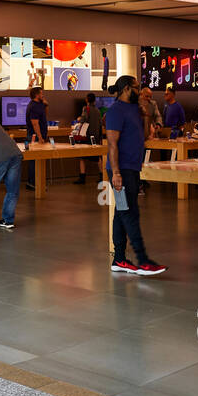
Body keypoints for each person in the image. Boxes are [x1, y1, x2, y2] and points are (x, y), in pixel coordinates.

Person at [105, 75, 166, 276]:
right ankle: (142, 261)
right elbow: (112, 144)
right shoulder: (115, 111)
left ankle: (119, 259)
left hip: (133, 168)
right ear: (125, 89)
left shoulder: (133, 108)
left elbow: (143, 135)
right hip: (121, 170)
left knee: (122, 213)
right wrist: (116, 173)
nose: (140, 92)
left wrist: (145, 114)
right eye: (136, 88)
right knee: (128, 213)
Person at [74, 93, 104, 184]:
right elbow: (100, 124)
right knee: (97, 157)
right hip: (95, 137)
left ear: (87, 100)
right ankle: (102, 176)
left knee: (82, 157)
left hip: (86, 137)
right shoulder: (98, 111)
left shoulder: (85, 109)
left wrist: (79, 119)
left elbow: (83, 120)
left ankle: (82, 177)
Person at [25, 86, 48, 190]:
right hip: (35, 137)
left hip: (40, 135)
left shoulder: (40, 105)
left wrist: (46, 105)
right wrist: (40, 137)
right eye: (41, 93)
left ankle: (37, 182)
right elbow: (35, 124)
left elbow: (44, 116)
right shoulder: (33, 106)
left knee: (38, 160)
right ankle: (33, 183)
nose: (43, 95)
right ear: (37, 95)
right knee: (34, 160)